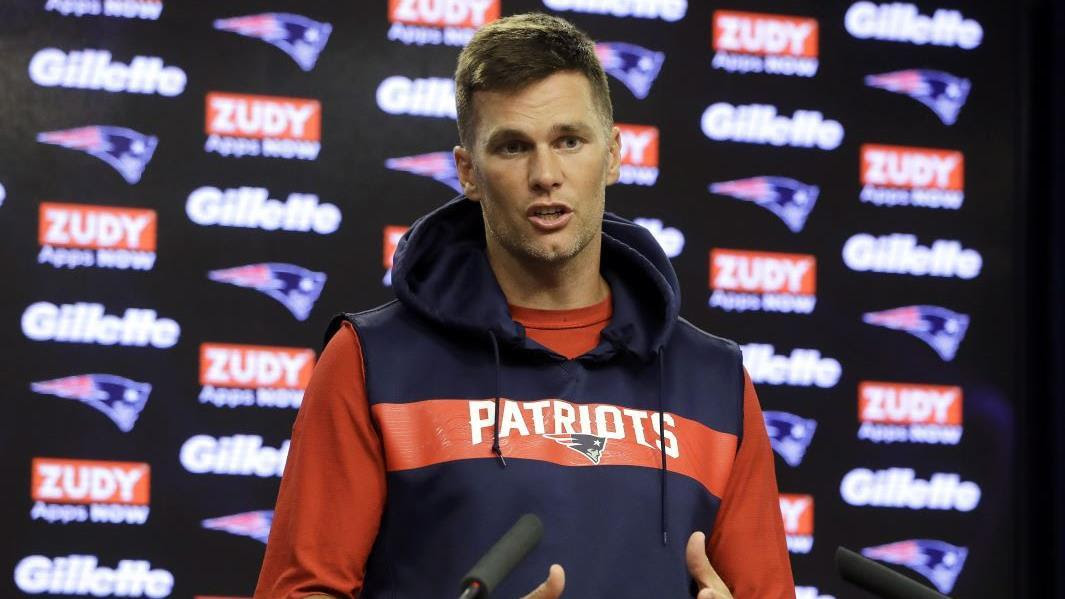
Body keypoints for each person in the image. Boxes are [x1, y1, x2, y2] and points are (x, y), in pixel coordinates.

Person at [254, 12, 793, 599]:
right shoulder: (369, 362)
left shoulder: (713, 380)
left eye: (569, 141)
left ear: (613, 154)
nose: (545, 175)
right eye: (513, 147)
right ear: (468, 173)